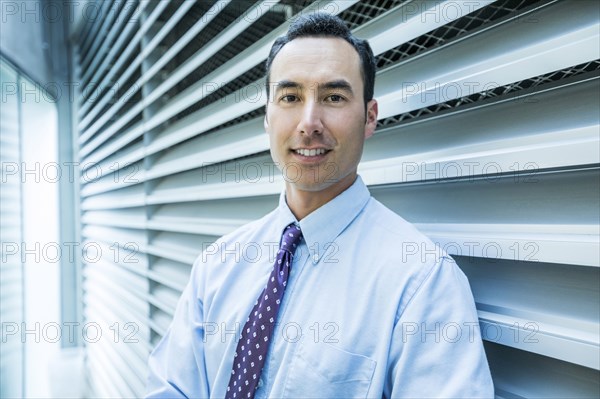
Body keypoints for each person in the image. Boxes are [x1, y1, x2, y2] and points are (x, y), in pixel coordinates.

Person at [146, 12, 494, 398]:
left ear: (369, 117)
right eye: (291, 97)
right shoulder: (216, 266)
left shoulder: (422, 283)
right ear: (267, 117)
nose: (309, 122)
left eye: (333, 97)